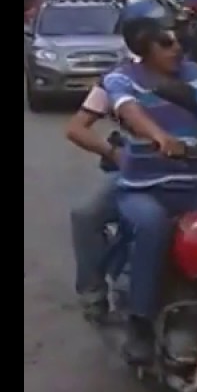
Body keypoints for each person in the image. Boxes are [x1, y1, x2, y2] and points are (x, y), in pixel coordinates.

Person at [102, 0, 197, 363]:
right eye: (165, 42)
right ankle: (140, 322)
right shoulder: (120, 79)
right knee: (152, 226)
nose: (177, 48)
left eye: (178, 40)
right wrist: (159, 136)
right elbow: (128, 110)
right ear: (142, 45)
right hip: (143, 188)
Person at [64, 83, 123, 324]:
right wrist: (115, 154)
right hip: (136, 172)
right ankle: (93, 295)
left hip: (194, 171)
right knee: (85, 216)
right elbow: (76, 128)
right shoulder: (116, 81)